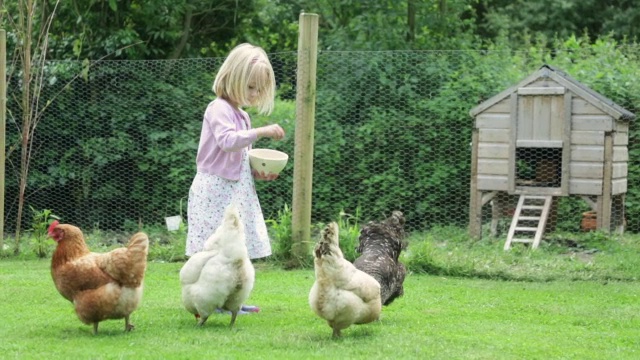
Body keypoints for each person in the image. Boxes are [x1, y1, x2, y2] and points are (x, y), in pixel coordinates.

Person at [186, 43, 285, 313]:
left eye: (258, 89)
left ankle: (230, 301)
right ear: (232, 78)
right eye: (250, 86)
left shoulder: (242, 115)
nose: (253, 94)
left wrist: (257, 171)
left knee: (233, 250)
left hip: (235, 190)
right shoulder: (218, 108)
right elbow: (228, 141)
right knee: (214, 249)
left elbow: (238, 156)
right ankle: (209, 299)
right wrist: (261, 131)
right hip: (214, 190)